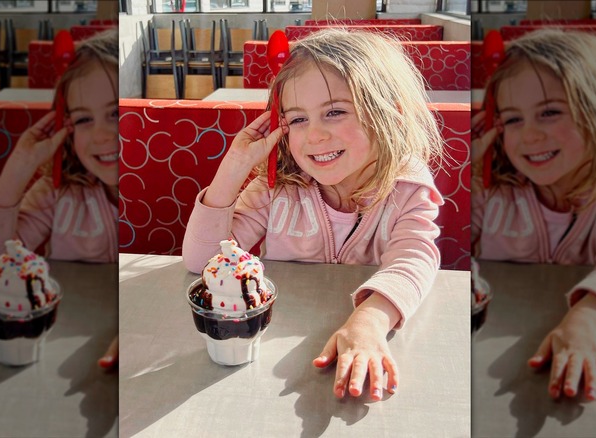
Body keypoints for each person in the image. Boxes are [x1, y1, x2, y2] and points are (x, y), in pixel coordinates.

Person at [182, 28, 444, 401]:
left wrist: (370, 320)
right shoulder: (278, 188)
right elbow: (200, 262)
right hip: (265, 368)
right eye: (298, 119)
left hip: (365, 343)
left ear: (390, 115)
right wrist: (234, 168)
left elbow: (415, 258)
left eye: (334, 112)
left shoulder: (407, 186)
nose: (314, 135)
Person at [471, 29, 596, 401]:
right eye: (512, 119)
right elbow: (452, 249)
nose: (530, 136)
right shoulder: (490, 188)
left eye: (550, 113)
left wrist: (587, 318)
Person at [0, 29, 120, 369]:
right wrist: (20, 168)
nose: (101, 134)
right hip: (60, 350)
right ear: (64, 127)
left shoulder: (159, 194)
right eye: (83, 119)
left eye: (117, 113)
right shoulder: (56, 193)